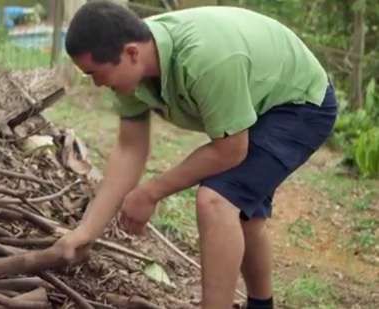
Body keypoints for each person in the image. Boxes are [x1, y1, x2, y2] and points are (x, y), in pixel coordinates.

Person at [54, 1, 337, 308]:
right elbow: (129, 149)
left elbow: (230, 150)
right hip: (255, 100)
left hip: (301, 103)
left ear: (132, 53)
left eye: (96, 74)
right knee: (244, 213)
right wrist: (85, 232)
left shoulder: (204, 58)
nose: (97, 84)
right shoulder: (134, 67)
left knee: (216, 200)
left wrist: (150, 192)